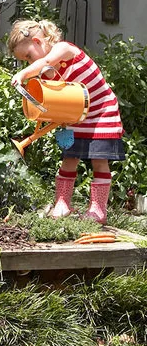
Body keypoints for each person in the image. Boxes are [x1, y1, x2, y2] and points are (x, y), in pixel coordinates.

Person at [8, 19, 124, 224]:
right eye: (25, 61)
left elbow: (43, 62)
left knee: (99, 160)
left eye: (28, 56)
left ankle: (98, 210)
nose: (29, 62)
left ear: (37, 41)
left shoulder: (63, 49)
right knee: (69, 158)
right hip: (76, 115)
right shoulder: (46, 72)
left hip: (101, 112)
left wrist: (24, 73)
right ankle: (63, 203)